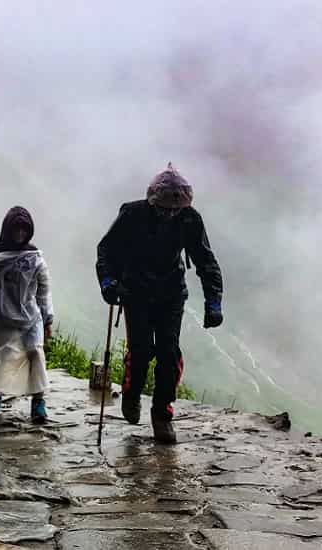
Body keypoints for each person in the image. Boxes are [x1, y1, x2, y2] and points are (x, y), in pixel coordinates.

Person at [96, 162, 223, 443]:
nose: (170, 213)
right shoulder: (132, 213)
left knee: (169, 352)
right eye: (165, 208)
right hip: (136, 291)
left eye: (175, 209)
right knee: (140, 351)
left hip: (170, 293)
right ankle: (131, 394)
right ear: (152, 200)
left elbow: (205, 260)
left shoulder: (190, 219)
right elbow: (107, 249)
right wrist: (107, 281)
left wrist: (213, 299)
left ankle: (162, 414)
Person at [0, 206, 54, 424]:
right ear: (7, 229)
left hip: (29, 314)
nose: (20, 234)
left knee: (35, 352)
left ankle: (38, 402)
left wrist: (48, 319)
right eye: (17, 229)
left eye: (24, 230)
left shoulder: (34, 256)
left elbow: (44, 289)